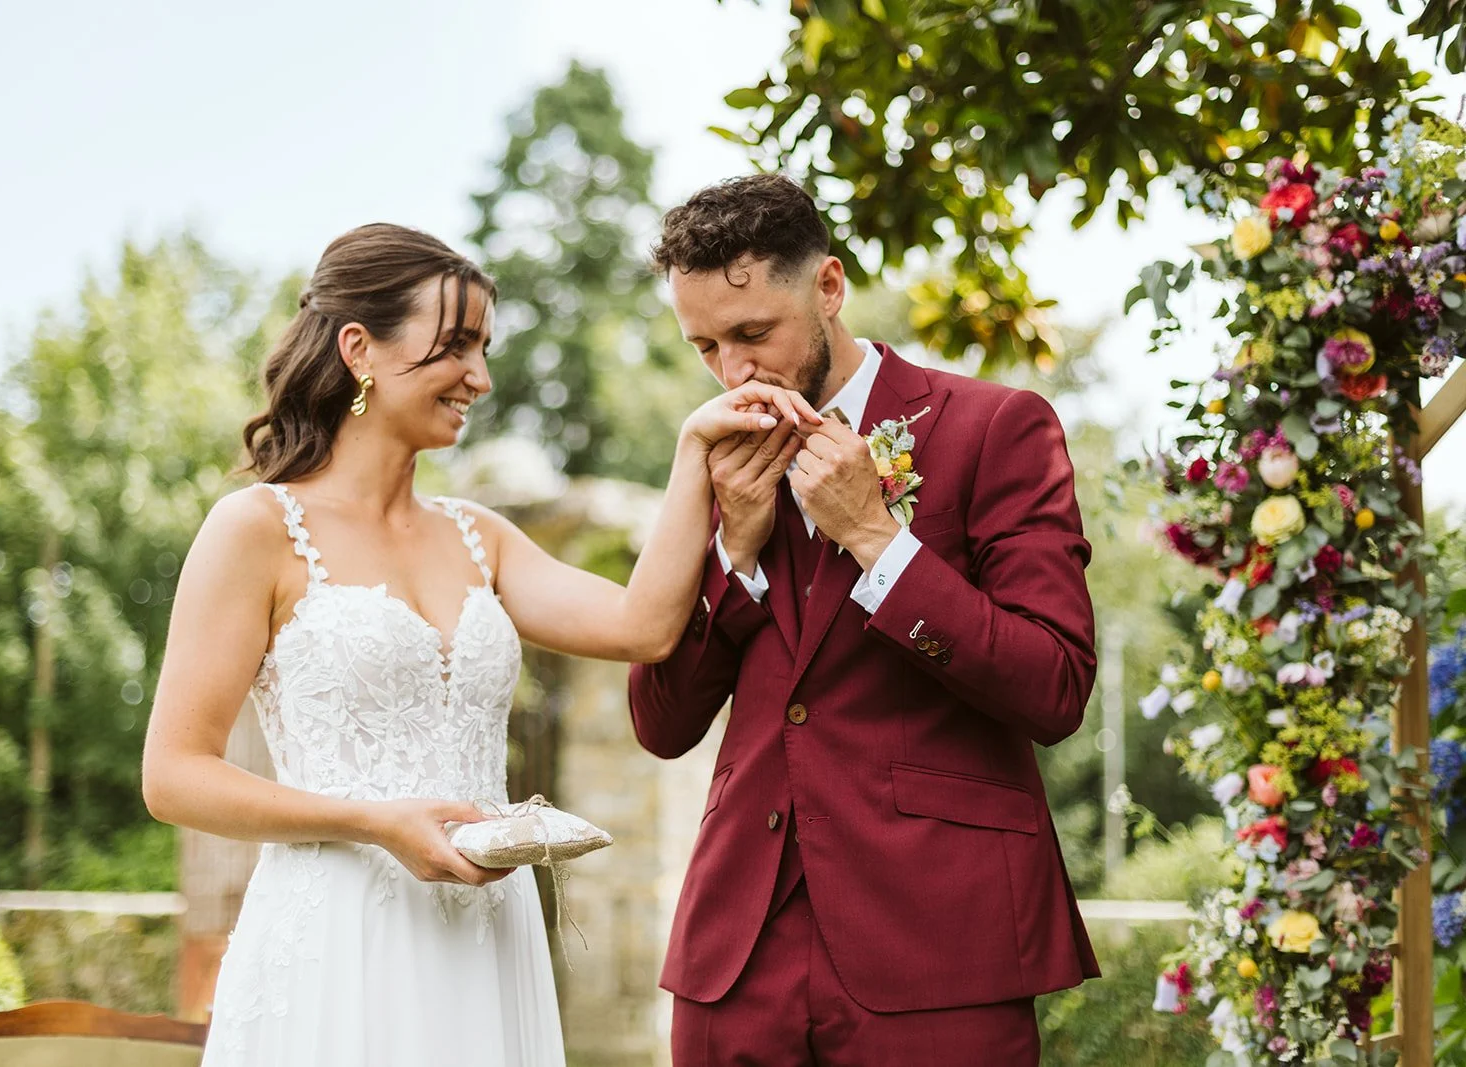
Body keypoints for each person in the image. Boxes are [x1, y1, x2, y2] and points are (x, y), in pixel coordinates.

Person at [141, 222, 816, 1066]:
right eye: (456, 346)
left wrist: (693, 452)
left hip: (487, 940)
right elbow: (174, 776)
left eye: (485, 348)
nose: (481, 378)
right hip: (337, 940)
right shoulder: (254, 529)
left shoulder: (480, 537)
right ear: (361, 348)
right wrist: (377, 822)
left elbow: (645, 625)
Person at [629, 174, 1100, 1066]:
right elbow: (661, 723)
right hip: (737, 954)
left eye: (753, 334)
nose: (734, 372)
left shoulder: (996, 427)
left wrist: (878, 541)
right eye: (704, 347)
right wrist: (733, 552)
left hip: (939, 941)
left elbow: (1055, 686)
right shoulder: (712, 456)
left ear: (829, 287)